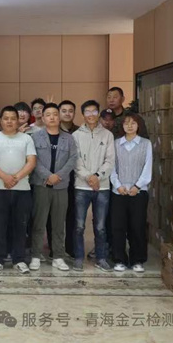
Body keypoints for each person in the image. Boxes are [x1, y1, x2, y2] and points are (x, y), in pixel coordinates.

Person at [0, 106, 36, 274]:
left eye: (13, 118)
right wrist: (5, 177)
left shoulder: (26, 139)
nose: (9, 121)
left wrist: (16, 177)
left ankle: (19, 259)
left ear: (18, 120)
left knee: (20, 226)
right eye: (6, 118)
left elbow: (31, 161)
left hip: (22, 189)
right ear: (1, 121)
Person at [28, 103, 77, 272]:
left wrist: (58, 176)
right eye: (48, 114)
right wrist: (48, 176)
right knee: (39, 222)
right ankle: (35, 255)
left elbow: (73, 159)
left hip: (61, 186)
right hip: (41, 185)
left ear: (59, 117)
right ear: (42, 117)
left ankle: (58, 257)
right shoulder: (35, 137)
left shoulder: (68, 138)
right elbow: (33, 160)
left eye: (55, 114)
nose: (52, 117)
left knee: (58, 223)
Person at [73, 100, 115, 272]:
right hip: (81, 187)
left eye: (94, 111)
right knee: (79, 225)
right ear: (83, 114)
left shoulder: (107, 135)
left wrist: (97, 176)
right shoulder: (76, 135)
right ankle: (78, 258)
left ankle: (101, 258)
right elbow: (76, 161)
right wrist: (88, 177)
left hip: (102, 187)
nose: (91, 115)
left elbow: (110, 160)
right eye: (87, 112)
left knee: (100, 226)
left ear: (98, 114)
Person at [110, 113, 152, 273]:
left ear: (139, 125)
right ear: (122, 126)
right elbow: (112, 167)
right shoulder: (116, 144)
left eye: (133, 123)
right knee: (118, 227)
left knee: (137, 226)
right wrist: (118, 185)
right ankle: (119, 259)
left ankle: (137, 260)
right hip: (118, 192)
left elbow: (148, 167)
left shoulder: (146, 144)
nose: (129, 126)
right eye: (126, 123)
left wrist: (137, 186)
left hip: (138, 193)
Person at [57, 100, 79, 258]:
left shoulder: (79, 131)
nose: (67, 113)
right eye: (63, 110)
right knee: (55, 216)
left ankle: (71, 248)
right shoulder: (53, 130)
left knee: (73, 214)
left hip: (76, 178)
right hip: (56, 178)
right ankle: (55, 249)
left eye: (70, 110)